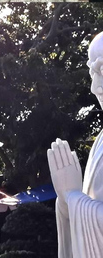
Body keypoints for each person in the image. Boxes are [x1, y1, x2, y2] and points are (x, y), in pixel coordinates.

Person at [48, 32, 103, 257]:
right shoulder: (100, 140)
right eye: (93, 73)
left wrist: (73, 196)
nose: (95, 87)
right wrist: (65, 202)